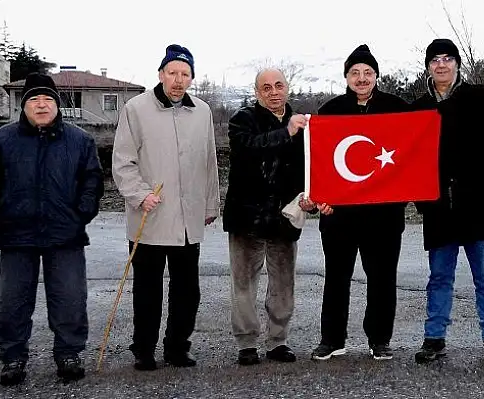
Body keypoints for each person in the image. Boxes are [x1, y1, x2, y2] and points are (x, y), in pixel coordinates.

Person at [112, 44, 221, 371]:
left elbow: (209, 162)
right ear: (161, 74)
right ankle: (143, 349)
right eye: (172, 73)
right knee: (147, 290)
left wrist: (211, 203)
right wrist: (139, 194)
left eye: (184, 74)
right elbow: (123, 162)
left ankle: (177, 347)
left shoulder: (202, 111)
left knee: (187, 290)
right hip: (151, 216)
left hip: (189, 220)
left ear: (191, 78)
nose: (178, 80)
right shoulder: (136, 109)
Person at [0, 72, 104, 385]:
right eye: (34, 99)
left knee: (69, 297)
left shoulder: (79, 140)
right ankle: (12, 357)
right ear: (23, 105)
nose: (41, 105)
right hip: (17, 234)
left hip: (64, 234)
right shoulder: (2, 140)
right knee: (12, 301)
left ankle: (68, 353)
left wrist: (81, 213)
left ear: (57, 104)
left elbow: (92, 180)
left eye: (48, 99)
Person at [410, 39, 484, 366]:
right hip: (439, 209)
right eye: (435, 59)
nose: (441, 65)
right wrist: (423, 201)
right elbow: (409, 159)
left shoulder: (479, 97)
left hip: (477, 206)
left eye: (447, 59)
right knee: (439, 278)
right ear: (428, 66)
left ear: (457, 64)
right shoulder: (419, 107)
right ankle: (434, 337)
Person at [310, 44, 409, 361]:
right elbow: (319, 161)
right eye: (355, 73)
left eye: (367, 72)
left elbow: (412, 154)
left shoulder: (398, 109)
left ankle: (379, 338)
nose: (362, 78)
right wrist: (320, 197)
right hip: (339, 214)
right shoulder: (330, 111)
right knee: (336, 278)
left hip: (384, 215)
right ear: (346, 77)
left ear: (376, 75)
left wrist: (404, 194)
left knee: (382, 278)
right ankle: (332, 338)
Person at [224, 68, 316, 366]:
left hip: (285, 217)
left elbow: (312, 167)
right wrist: (285, 132)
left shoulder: (305, 125)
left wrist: (312, 197)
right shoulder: (242, 120)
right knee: (244, 284)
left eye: (278, 85)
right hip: (247, 217)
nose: (273, 91)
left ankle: (278, 341)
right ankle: (247, 343)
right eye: (266, 87)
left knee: (283, 284)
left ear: (287, 88)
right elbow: (247, 149)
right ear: (257, 92)